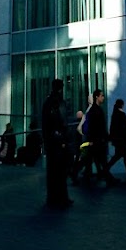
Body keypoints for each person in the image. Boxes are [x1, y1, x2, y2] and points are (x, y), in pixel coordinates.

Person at [42, 78, 73, 209]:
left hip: (54, 141)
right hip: (56, 141)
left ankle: (56, 197)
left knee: (56, 170)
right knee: (59, 170)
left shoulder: (52, 102)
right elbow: (56, 121)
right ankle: (59, 197)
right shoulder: (54, 102)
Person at [83, 88, 115, 184]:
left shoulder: (94, 110)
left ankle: (90, 177)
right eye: (102, 96)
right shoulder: (96, 111)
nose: (103, 98)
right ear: (97, 97)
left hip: (95, 139)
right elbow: (98, 126)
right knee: (100, 160)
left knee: (96, 160)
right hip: (97, 140)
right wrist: (104, 137)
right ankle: (107, 179)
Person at [107, 98, 126, 177]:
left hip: (117, 139)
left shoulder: (114, 114)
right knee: (123, 156)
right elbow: (125, 126)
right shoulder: (121, 114)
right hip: (122, 139)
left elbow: (113, 127)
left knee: (119, 155)